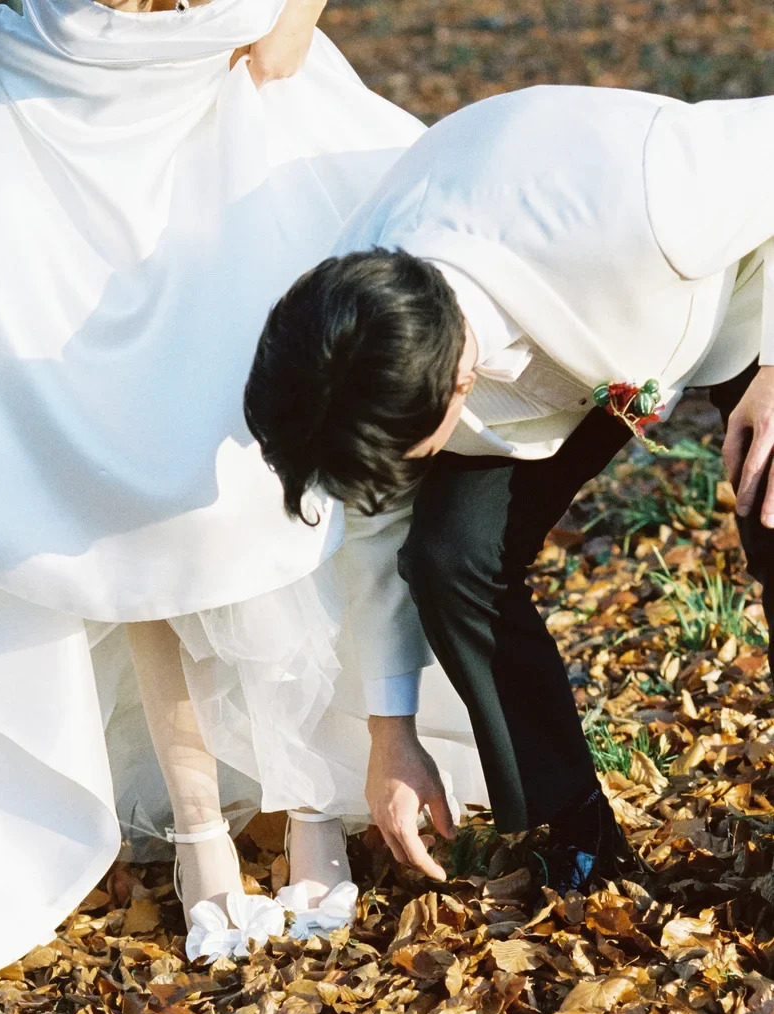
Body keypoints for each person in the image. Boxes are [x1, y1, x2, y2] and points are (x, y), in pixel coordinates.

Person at [0, 0, 486, 1014]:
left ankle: (310, 805)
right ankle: (199, 830)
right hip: (41, 99)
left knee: (275, 444)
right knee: (113, 483)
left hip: (229, 87)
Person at [245, 83, 774, 891]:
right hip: (573, 380)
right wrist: (391, 732)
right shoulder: (346, 343)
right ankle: (578, 829)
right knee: (450, 557)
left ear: (458, 382)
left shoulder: (650, 190)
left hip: (720, 298)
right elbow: (374, 523)